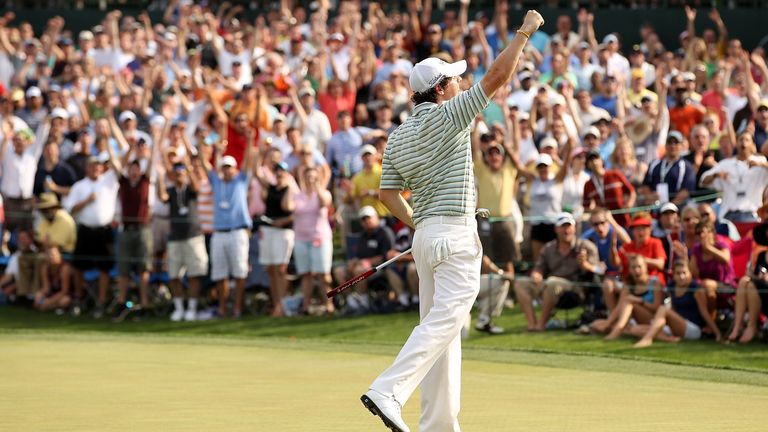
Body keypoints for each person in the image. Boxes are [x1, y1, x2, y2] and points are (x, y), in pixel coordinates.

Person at [362, 11, 544, 432]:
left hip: (427, 237)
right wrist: (523, 33)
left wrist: (418, 225)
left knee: (443, 338)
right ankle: (389, 389)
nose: (462, 82)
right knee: (447, 322)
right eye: (455, 79)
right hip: (453, 237)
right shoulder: (450, 115)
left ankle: (439, 426)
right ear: (441, 89)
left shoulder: (398, 135)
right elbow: (497, 76)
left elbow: (388, 195)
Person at [515, 212, 599, 332]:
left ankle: (541, 325)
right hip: (550, 286)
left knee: (551, 282)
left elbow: (598, 270)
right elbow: (539, 267)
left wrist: (585, 265)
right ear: (556, 229)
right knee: (520, 283)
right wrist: (537, 274)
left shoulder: (586, 246)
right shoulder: (549, 248)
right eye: (563, 226)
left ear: (575, 228)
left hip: (576, 289)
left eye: (569, 226)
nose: (566, 230)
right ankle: (532, 324)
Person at [206, 129, 255, 318]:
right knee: (220, 273)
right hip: (219, 233)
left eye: (230, 167)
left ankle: (237, 307)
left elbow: (248, 162)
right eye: (224, 167)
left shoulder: (241, 181)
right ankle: (223, 307)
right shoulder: (217, 182)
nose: (227, 170)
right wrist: (216, 151)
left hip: (237, 232)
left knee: (240, 271)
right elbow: (205, 166)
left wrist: (250, 141)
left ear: (234, 169)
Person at [63, 155, 119, 318]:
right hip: (86, 230)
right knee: (79, 265)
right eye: (92, 166)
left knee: (104, 268)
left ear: (102, 168)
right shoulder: (79, 186)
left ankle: (101, 302)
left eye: (98, 166)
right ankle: (79, 299)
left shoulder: (108, 181)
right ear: (86, 168)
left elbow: (119, 162)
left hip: (104, 231)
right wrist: (86, 201)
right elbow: (70, 209)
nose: (95, 168)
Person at [156, 160, 209, 322]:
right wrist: (160, 177)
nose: (179, 175)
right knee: (174, 274)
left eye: (181, 173)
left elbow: (197, 187)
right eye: (177, 173)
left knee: (194, 274)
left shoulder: (190, 189)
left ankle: (192, 308)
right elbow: (162, 196)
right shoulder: (171, 190)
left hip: (193, 237)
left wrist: (190, 170)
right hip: (175, 239)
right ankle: (179, 308)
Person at [632, 259, 721, 348]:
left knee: (663, 309)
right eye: (678, 273)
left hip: (693, 328)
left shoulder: (695, 289)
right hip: (676, 325)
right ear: (674, 275)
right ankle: (668, 339)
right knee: (635, 329)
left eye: (684, 273)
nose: (682, 276)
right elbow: (673, 309)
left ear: (690, 273)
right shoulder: (672, 286)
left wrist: (717, 333)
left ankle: (647, 339)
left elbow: (704, 312)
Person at [254, 155, 296, 318]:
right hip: (269, 230)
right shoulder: (271, 187)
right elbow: (256, 173)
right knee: (271, 269)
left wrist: (288, 185)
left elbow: (291, 209)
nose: (279, 173)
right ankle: (277, 302)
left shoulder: (291, 189)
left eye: (282, 171)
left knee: (280, 268)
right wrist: (261, 153)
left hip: (283, 232)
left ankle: (283, 304)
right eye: (277, 170)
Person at [590, 254, 664, 339]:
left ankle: (616, 331)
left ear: (645, 267)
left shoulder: (655, 283)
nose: (637, 270)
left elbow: (656, 308)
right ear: (629, 269)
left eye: (639, 267)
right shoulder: (629, 285)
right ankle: (616, 327)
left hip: (651, 319)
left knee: (629, 302)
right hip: (632, 320)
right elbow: (619, 307)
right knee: (596, 323)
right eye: (633, 267)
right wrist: (609, 321)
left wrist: (639, 300)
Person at [292, 166, 334, 315]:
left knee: (323, 274)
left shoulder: (324, 193)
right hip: (301, 238)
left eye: (314, 177)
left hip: (320, 238)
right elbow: (289, 207)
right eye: (308, 177)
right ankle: (305, 306)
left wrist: (317, 186)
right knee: (306, 274)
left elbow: (324, 203)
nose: (310, 180)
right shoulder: (298, 195)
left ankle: (329, 304)